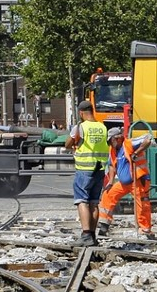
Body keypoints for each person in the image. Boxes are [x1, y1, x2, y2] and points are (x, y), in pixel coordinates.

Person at [97, 126, 155, 240]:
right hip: (125, 183)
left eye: (110, 140)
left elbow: (148, 139)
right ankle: (104, 224)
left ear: (117, 138)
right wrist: (111, 181)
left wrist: (136, 153)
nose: (109, 143)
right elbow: (111, 165)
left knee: (141, 205)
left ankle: (145, 229)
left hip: (138, 180)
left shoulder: (129, 143)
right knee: (108, 195)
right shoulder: (113, 150)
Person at [64, 100, 109, 247]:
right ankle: (92, 236)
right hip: (100, 169)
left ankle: (85, 234)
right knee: (94, 202)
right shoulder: (102, 127)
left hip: (85, 169)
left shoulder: (81, 127)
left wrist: (74, 143)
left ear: (81, 113)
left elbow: (68, 144)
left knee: (82, 201)